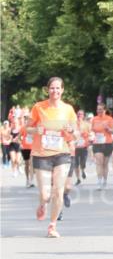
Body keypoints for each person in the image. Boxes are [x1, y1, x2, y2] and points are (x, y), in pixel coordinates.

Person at [29, 77, 77, 237]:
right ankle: (42, 204)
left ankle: (52, 226)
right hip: (42, 154)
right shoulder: (38, 107)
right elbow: (27, 128)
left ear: (62, 90)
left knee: (58, 190)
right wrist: (36, 130)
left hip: (62, 153)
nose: (55, 91)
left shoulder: (68, 109)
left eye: (58, 88)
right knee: (45, 194)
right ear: (47, 90)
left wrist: (71, 130)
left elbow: (76, 133)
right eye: (52, 88)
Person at [90, 103, 113, 189]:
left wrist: (109, 129)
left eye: (100, 109)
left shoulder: (109, 119)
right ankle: (99, 181)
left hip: (107, 143)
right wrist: (91, 134)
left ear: (105, 110)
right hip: (97, 143)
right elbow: (91, 130)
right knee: (99, 162)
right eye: (98, 109)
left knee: (105, 164)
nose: (99, 111)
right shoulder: (94, 119)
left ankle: (105, 181)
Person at [73, 109, 90, 184]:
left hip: (84, 146)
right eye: (78, 114)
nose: (79, 115)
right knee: (75, 164)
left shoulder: (86, 124)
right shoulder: (73, 124)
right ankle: (78, 179)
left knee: (83, 163)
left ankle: (83, 170)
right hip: (75, 147)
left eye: (81, 114)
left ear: (83, 116)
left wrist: (85, 134)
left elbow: (90, 133)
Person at [19, 115, 35, 187]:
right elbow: (19, 137)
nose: (28, 121)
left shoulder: (34, 128)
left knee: (31, 163)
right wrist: (20, 144)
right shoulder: (23, 128)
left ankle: (32, 180)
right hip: (25, 148)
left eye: (29, 120)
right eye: (26, 120)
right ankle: (27, 179)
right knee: (27, 164)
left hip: (33, 148)